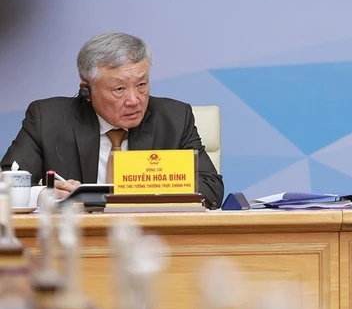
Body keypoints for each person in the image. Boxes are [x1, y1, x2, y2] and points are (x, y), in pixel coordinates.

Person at [1, 32, 224, 207]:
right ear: (87, 91)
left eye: (142, 85)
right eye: (119, 89)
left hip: (153, 240)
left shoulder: (174, 118)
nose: (134, 100)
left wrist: (145, 186)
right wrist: (44, 195)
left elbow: (212, 190)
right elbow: (5, 183)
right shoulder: (47, 119)